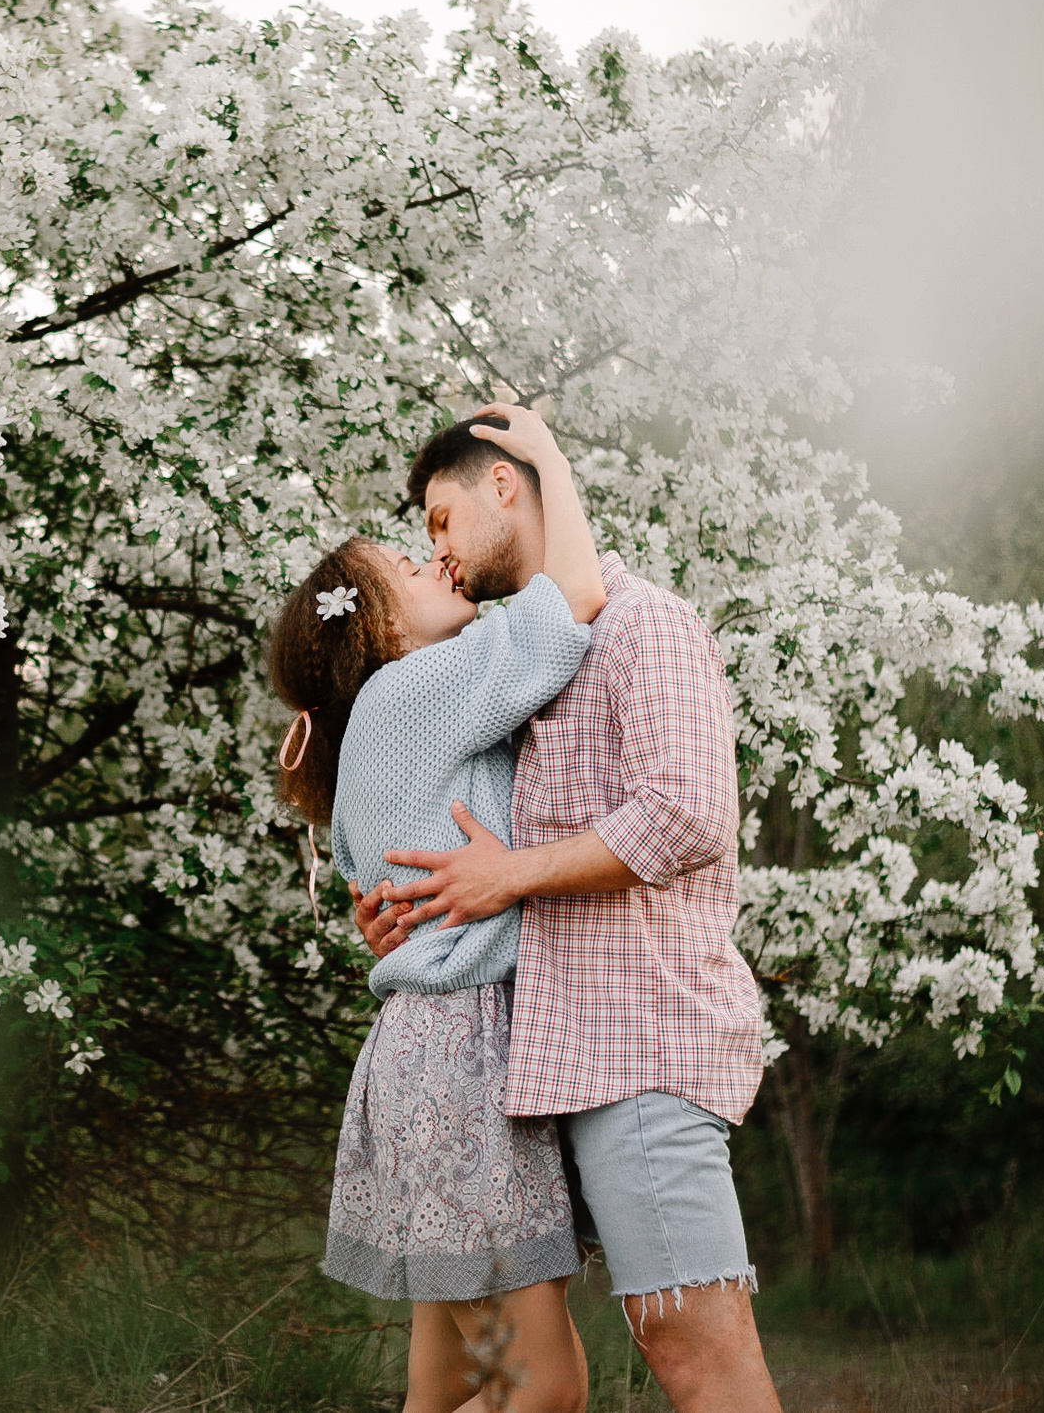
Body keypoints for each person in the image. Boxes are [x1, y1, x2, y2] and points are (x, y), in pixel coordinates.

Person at [358, 408, 784, 1413]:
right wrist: (402, 919)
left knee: (691, 1346)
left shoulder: (642, 625)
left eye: (440, 516)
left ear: (504, 486)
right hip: (532, 1073)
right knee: (490, 1373)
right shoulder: (514, 661)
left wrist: (507, 877)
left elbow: (686, 815)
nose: (438, 550)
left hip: (641, 1048)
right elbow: (440, 824)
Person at [267, 408, 606, 1413]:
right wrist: (538, 456)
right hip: (457, 1068)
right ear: (378, 631)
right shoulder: (415, 689)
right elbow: (576, 594)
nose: (437, 565)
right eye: (408, 570)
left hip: (418, 1062)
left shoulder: (382, 722)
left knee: (449, 1386)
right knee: (542, 1390)